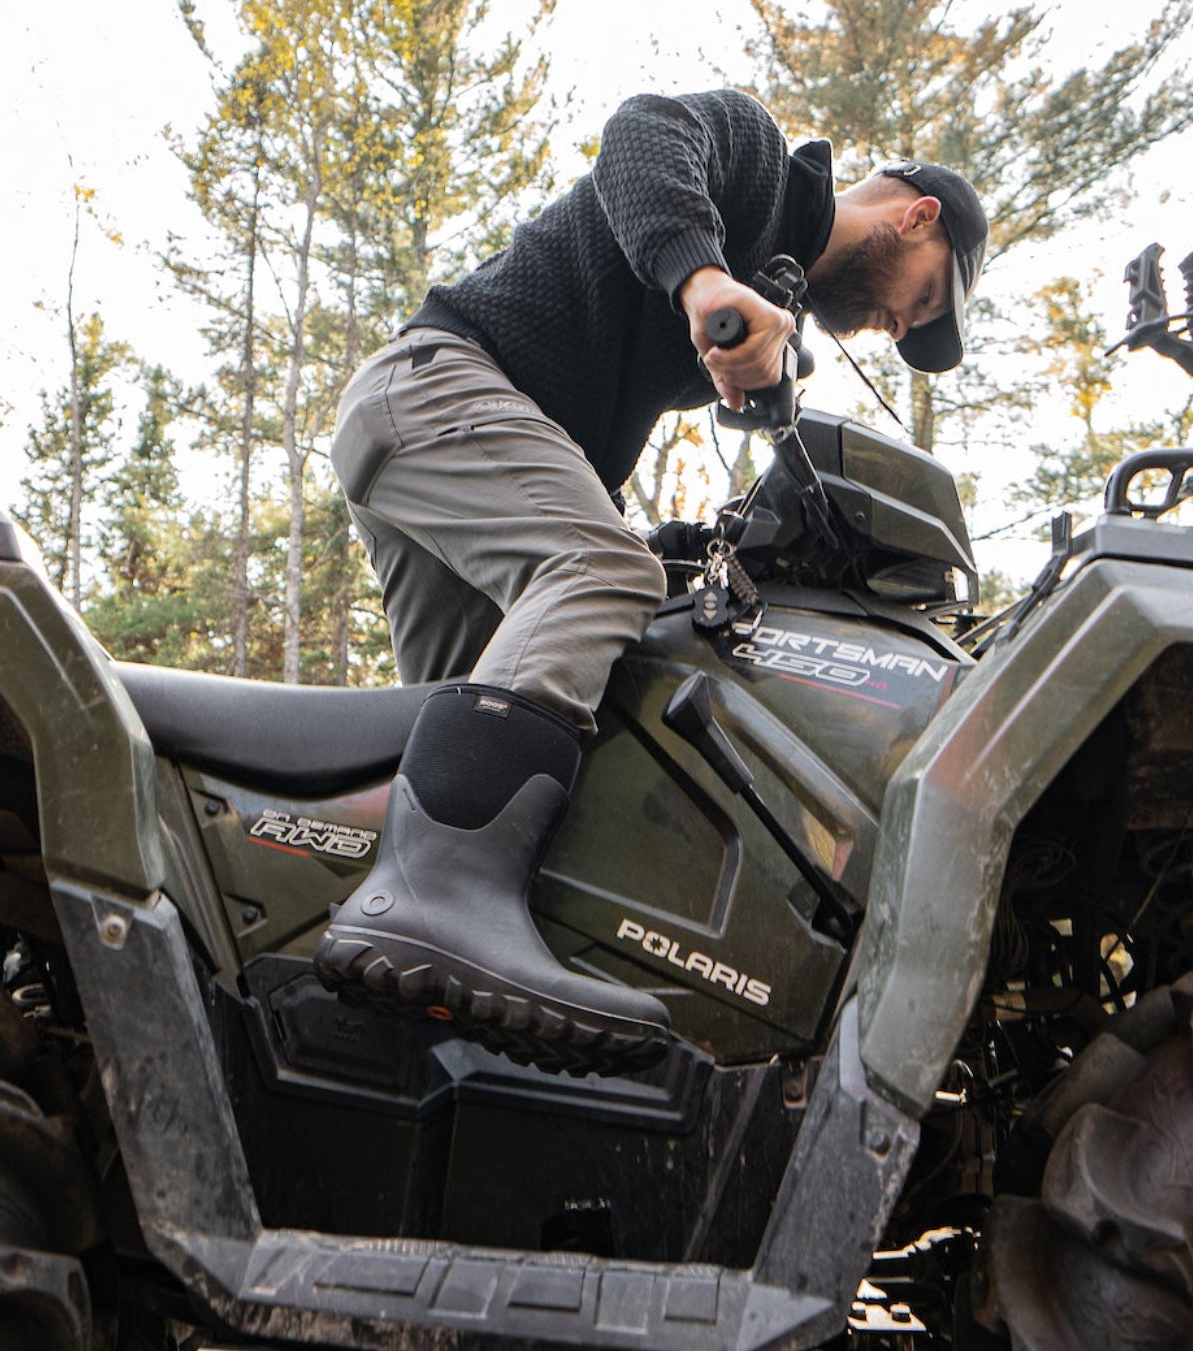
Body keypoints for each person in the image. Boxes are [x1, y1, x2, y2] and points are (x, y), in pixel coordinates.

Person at [313, 89, 988, 1074]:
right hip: (436, 383)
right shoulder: (760, 167)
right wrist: (705, 282)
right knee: (598, 568)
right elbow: (641, 133)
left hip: (441, 436)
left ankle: (385, 1013)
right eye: (920, 301)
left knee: (477, 711)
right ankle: (431, 903)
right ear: (918, 216)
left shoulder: (775, 293)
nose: (894, 325)